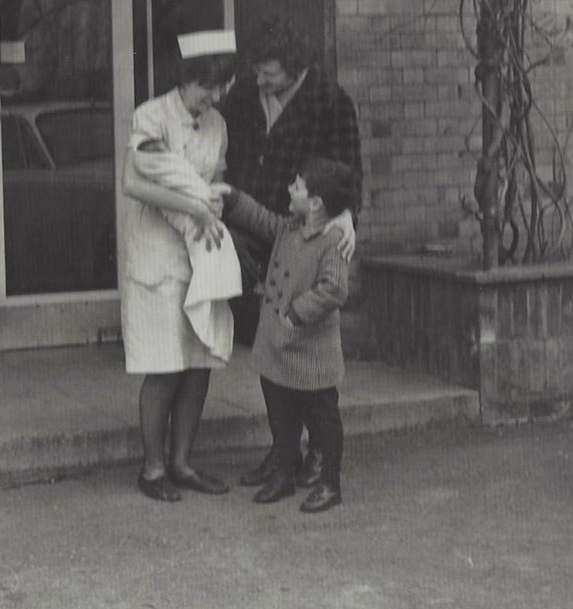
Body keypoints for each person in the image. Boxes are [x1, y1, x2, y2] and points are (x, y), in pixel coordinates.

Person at [222, 16, 363, 489]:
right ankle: (284, 452)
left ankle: (320, 454)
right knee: (274, 359)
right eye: (257, 71)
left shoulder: (330, 102)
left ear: (298, 69)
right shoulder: (245, 94)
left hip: (304, 240)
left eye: (270, 75)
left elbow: (347, 173)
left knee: (311, 367)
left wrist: (344, 219)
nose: (260, 81)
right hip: (262, 239)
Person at [121, 29, 237, 502]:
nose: (213, 97)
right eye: (206, 87)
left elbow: (220, 184)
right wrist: (194, 206)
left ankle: (182, 463)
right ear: (185, 79)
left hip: (200, 249)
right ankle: (151, 469)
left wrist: (211, 221)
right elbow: (136, 184)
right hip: (158, 252)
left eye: (221, 88)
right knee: (165, 364)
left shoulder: (217, 125)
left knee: (198, 361)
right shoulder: (150, 116)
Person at [221, 157, 357, 512]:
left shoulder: (333, 241)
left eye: (296, 186)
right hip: (278, 344)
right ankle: (284, 469)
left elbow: (334, 289)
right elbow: (262, 220)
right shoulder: (291, 227)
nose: (289, 189)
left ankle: (330, 482)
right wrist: (232, 197)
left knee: (324, 418)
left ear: (315, 203)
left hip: (311, 350)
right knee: (280, 410)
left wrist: (296, 313)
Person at [133, 138, 242, 363]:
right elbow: (183, 193)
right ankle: (203, 311)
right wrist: (201, 202)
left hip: (198, 235)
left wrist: (209, 198)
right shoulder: (161, 179)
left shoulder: (211, 134)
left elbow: (199, 189)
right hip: (173, 252)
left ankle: (206, 313)